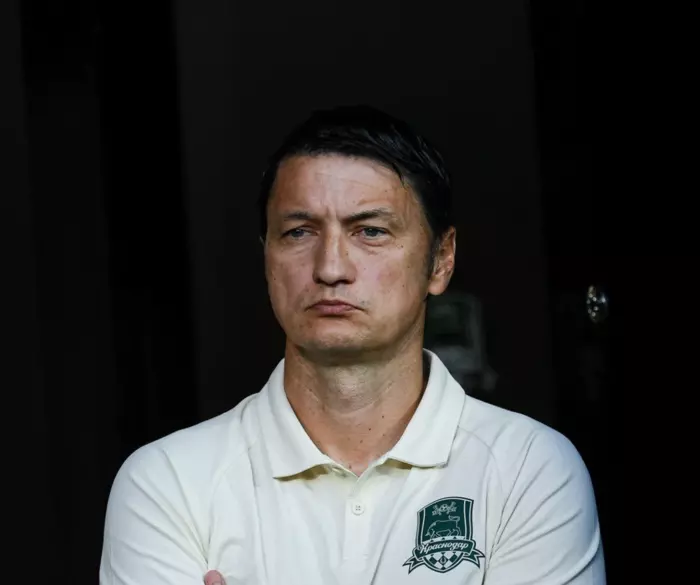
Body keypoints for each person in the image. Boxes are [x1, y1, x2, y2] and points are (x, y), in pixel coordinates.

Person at [99, 105, 605, 584]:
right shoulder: (170, 482)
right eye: (299, 232)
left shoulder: (527, 469)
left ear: (441, 260)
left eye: (371, 231)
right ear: (267, 256)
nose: (331, 268)